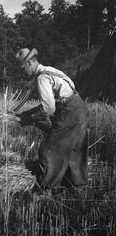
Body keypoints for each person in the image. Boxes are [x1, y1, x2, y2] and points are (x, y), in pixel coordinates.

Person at [15, 48, 90, 190]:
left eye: (23, 68)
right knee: (75, 149)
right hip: (80, 107)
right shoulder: (50, 70)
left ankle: (46, 188)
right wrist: (25, 114)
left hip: (70, 112)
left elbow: (48, 109)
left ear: (30, 63)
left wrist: (27, 119)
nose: (23, 72)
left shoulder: (42, 78)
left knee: (50, 148)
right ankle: (78, 186)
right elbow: (53, 101)